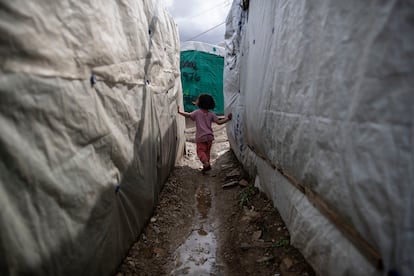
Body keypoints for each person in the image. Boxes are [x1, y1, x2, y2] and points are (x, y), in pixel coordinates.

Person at [177, 94, 232, 173]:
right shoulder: (211, 114)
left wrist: (179, 112)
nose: (196, 101)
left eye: (197, 100)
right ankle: (206, 165)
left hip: (201, 137)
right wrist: (227, 119)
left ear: (200, 103)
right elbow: (219, 122)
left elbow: (188, 115)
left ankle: (206, 163)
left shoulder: (197, 113)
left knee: (200, 152)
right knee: (207, 152)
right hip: (209, 137)